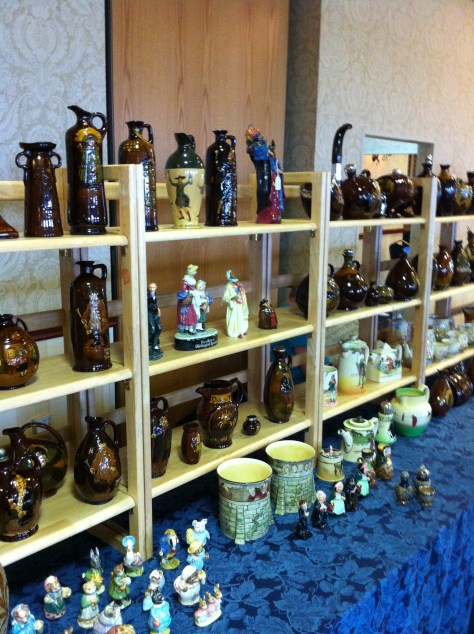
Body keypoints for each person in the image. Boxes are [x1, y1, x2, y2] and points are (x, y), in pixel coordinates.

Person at [222, 269, 249, 338]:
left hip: (241, 304)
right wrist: (233, 298)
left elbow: (243, 291)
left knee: (242, 317)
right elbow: (225, 297)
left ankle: (243, 330)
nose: (236, 282)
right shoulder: (229, 286)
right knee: (236, 318)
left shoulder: (239, 285)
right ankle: (236, 332)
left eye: (237, 281)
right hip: (234, 305)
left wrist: (242, 295)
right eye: (235, 281)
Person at [177, 264, 199, 334]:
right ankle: (188, 328)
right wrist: (190, 293)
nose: (196, 272)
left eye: (195, 271)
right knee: (188, 313)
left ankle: (191, 327)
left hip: (193, 296)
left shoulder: (192, 278)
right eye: (194, 271)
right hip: (188, 298)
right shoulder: (185, 280)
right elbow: (184, 290)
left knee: (193, 313)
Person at [147, 282, 163, 359]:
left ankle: (155, 343)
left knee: (159, 328)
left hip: (155, 313)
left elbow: (155, 304)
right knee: (152, 329)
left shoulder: (155, 294)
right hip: (149, 313)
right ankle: (146, 342)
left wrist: (158, 309)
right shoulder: (147, 295)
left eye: (153, 287)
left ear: (156, 287)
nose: (152, 289)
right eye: (150, 287)